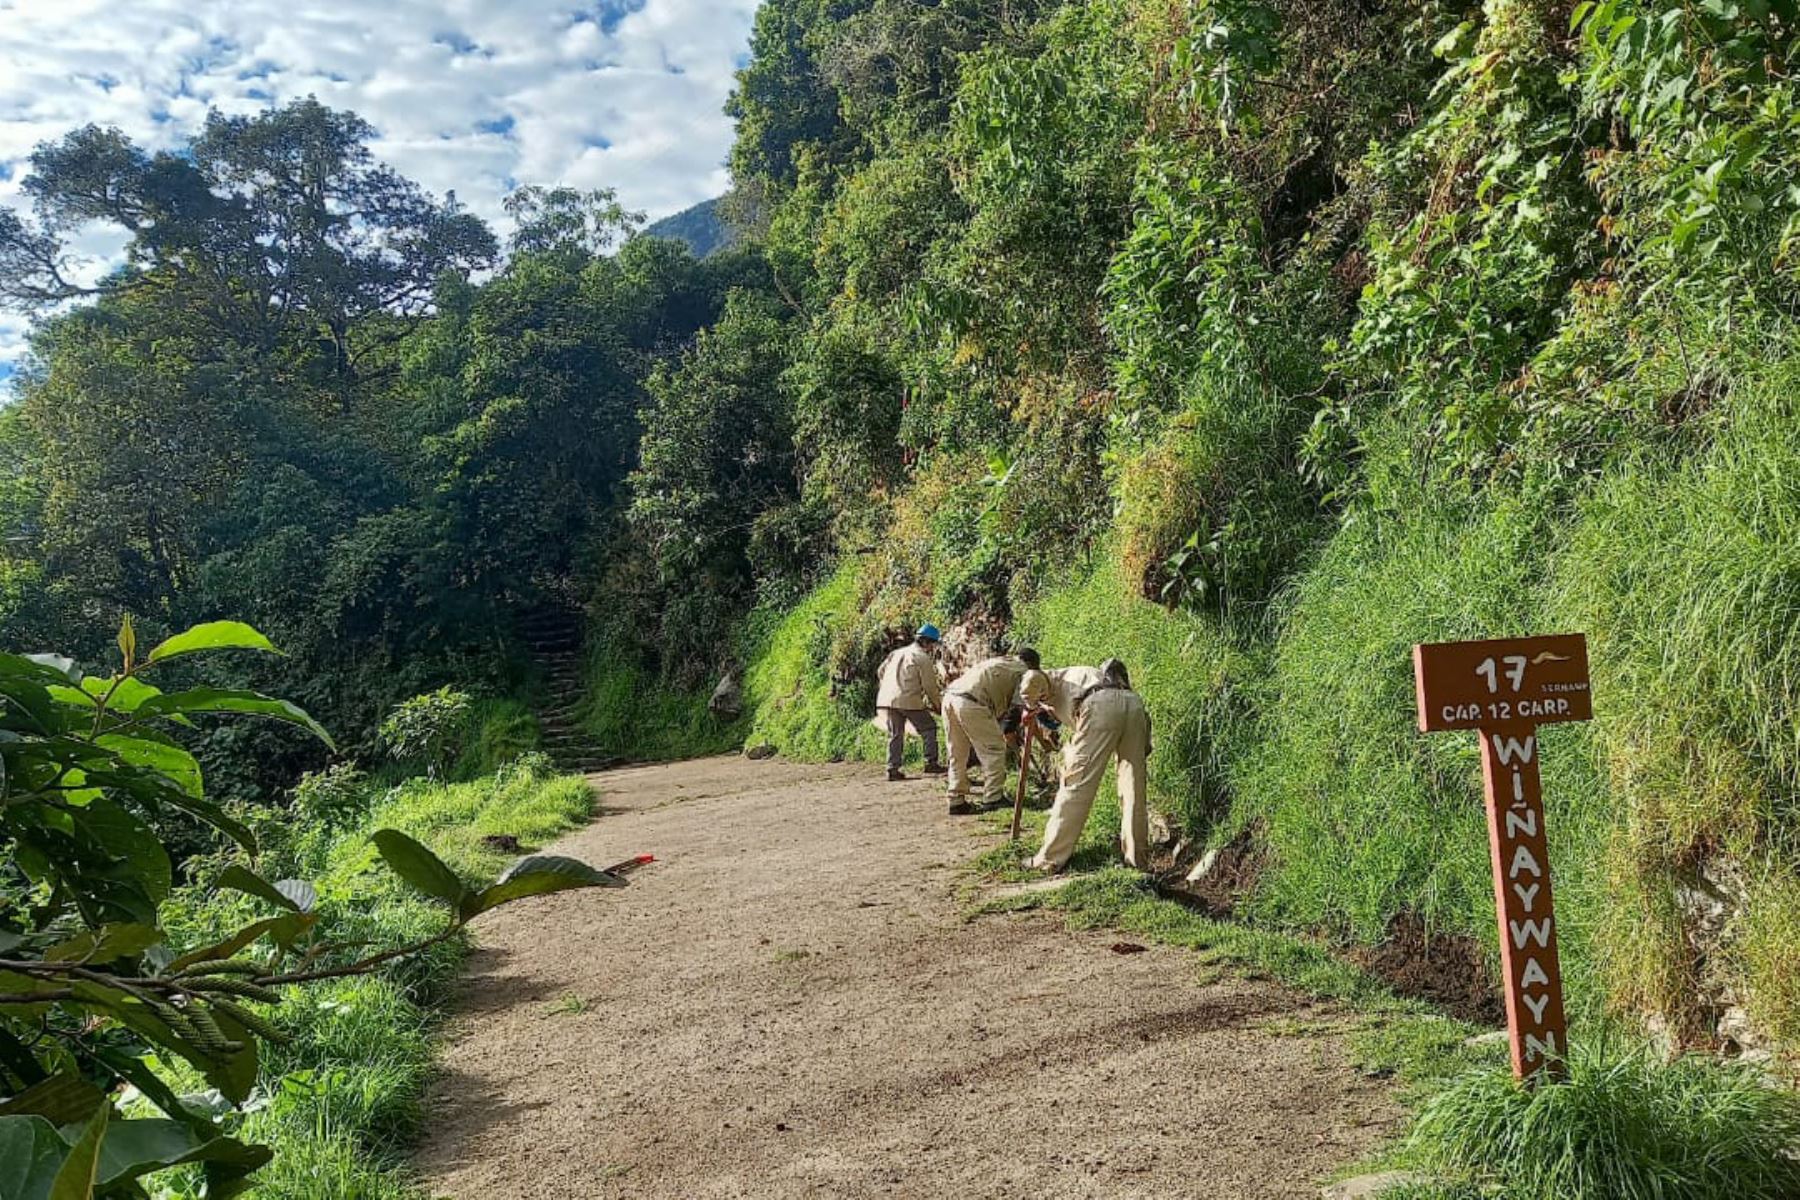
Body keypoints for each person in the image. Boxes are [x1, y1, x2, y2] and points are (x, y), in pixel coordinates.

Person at [1029, 658, 1152, 873]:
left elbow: (1032, 677)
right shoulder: (1084, 676)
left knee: (1076, 784)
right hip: (1133, 703)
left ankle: (1049, 859)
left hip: (1100, 706)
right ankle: (1137, 862)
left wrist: (1028, 704)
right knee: (1133, 787)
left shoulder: (1048, 678)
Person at [942, 647, 1050, 815]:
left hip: (950, 697)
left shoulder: (1002, 662)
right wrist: (1013, 733)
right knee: (994, 749)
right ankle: (993, 798)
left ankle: (956, 800)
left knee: (958, 752)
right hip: (973, 703)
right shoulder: (1025, 673)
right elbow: (1017, 711)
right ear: (1033, 665)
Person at [876, 624, 946, 782]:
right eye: (933, 644)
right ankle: (931, 763)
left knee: (895, 734)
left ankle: (892, 768)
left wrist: (889, 686)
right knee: (929, 728)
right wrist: (938, 706)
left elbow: (880, 671)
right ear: (928, 642)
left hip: (887, 699)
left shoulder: (896, 653)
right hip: (908, 699)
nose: (933, 648)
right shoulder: (922, 657)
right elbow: (930, 686)